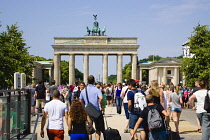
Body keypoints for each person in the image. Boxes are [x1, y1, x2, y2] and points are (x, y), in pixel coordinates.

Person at [79, 75, 105, 140]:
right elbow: (101, 98)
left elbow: (80, 101)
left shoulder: (83, 91)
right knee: (98, 129)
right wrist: (101, 106)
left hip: (87, 111)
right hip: (96, 111)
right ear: (94, 81)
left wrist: (84, 108)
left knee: (89, 129)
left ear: (87, 81)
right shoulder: (97, 90)